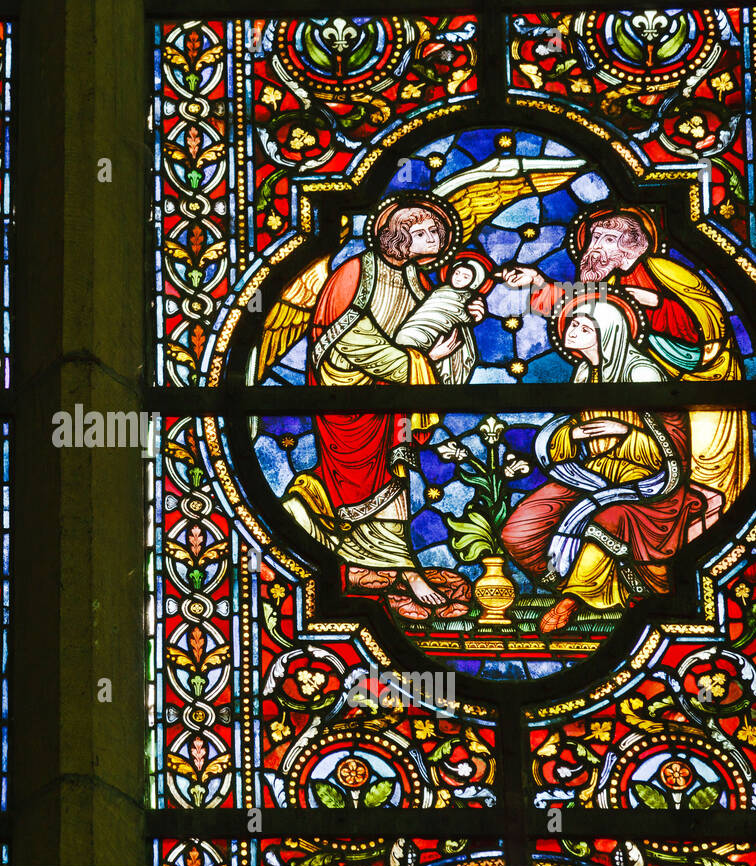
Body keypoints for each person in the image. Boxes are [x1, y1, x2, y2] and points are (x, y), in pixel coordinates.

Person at [286, 197, 480, 615]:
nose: (435, 239)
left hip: (393, 403)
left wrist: (462, 320)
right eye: (424, 232)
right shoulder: (354, 272)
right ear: (397, 234)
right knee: (361, 483)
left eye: (436, 232)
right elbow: (345, 339)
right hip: (350, 398)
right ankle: (391, 569)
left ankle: (395, 566)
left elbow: (425, 328)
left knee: (395, 476)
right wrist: (415, 364)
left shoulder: (412, 277)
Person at [499, 207, 746, 526]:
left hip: (695, 375)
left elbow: (706, 322)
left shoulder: (662, 271)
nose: (596, 245)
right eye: (595, 237)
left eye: (608, 238)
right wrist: (536, 281)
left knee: (703, 466)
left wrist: (655, 303)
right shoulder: (605, 285)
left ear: (634, 245)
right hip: (616, 401)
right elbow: (571, 298)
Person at [501, 292, 703, 633]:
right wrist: (573, 437)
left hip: (646, 482)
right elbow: (565, 437)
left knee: (604, 520)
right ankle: (565, 580)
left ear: (608, 334)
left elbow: (674, 449)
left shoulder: (641, 374)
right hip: (589, 476)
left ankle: (571, 601)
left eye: (585, 327)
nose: (573, 330)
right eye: (573, 323)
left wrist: (625, 432)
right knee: (519, 528)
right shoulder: (583, 373)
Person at [393, 252, 492, 385]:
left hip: (436, 334)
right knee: (405, 340)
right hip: (416, 325)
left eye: (465, 276)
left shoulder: (470, 299)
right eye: (457, 273)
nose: (458, 278)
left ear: (473, 281)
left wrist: (474, 318)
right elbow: (425, 306)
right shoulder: (438, 290)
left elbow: (463, 318)